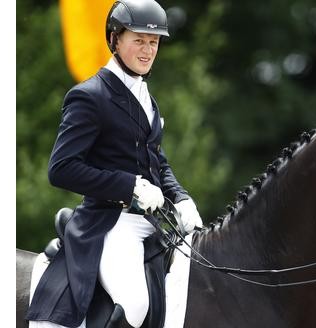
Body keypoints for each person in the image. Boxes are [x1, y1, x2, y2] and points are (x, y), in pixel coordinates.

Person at [26, 0, 203, 327]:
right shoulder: (89, 96)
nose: (148, 50)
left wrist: (180, 196)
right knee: (134, 303)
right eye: (139, 40)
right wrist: (130, 186)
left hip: (152, 221)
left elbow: (157, 162)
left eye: (154, 42)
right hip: (110, 222)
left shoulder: (147, 99)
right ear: (114, 39)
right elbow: (61, 168)